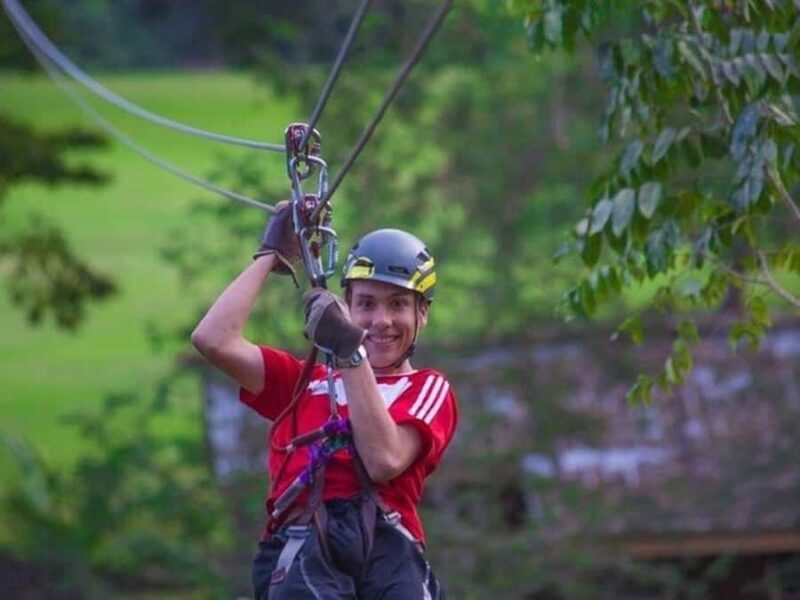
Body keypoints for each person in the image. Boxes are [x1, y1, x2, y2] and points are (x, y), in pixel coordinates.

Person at [191, 202, 458, 599]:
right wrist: (271, 255)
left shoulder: (428, 389)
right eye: (366, 304)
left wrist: (350, 353)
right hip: (303, 542)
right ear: (347, 307)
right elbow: (213, 339)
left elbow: (384, 460)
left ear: (423, 315)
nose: (381, 320)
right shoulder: (303, 381)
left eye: (398, 304)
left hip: (387, 544)